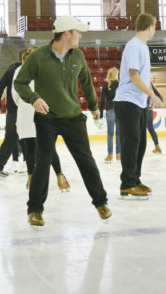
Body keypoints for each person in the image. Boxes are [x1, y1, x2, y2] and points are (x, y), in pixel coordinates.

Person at [14, 16, 111, 227]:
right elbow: (20, 83)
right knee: (42, 163)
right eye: (78, 32)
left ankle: (101, 202)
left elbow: (86, 82)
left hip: (73, 118)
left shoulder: (78, 56)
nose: (81, 36)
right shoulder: (38, 57)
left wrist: (94, 106)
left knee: (86, 161)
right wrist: (34, 99)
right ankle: (35, 210)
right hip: (46, 120)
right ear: (67, 33)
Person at [114, 13, 162, 198]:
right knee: (130, 144)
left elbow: (144, 77)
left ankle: (134, 180)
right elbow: (133, 75)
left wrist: (149, 96)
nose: (154, 30)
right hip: (127, 102)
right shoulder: (133, 46)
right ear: (150, 27)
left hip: (139, 102)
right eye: (155, 26)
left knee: (140, 144)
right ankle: (127, 183)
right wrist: (152, 94)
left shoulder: (143, 47)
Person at [13, 46, 70, 192]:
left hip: (25, 111)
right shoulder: (46, 68)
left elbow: (16, 95)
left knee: (29, 148)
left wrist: (24, 105)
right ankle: (60, 177)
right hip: (43, 110)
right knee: (49, 148)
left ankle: (31, 180)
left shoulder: (19, 70)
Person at [0, 52, 23, 176]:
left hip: (13, 110)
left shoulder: (11, 69)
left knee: (10, 139)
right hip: (25, 110)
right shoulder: (32, 68)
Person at [99, 67, 121, 163]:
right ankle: (119, 154)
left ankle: (110, 155)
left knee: (110, 134)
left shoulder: (105, 85)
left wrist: (100, 114)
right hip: (120, 110)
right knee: (119, 134)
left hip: (110, 110)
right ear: (116, 74)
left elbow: (102, 100)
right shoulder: (120, 84)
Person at [146, 82, 163, 154]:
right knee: (151, 129)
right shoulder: (151, 86)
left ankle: (139, 149)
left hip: (143, 110)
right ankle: (157, 146)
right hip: (150, 111)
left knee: (141, 130)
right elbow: (159, 96)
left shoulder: (142, 84)